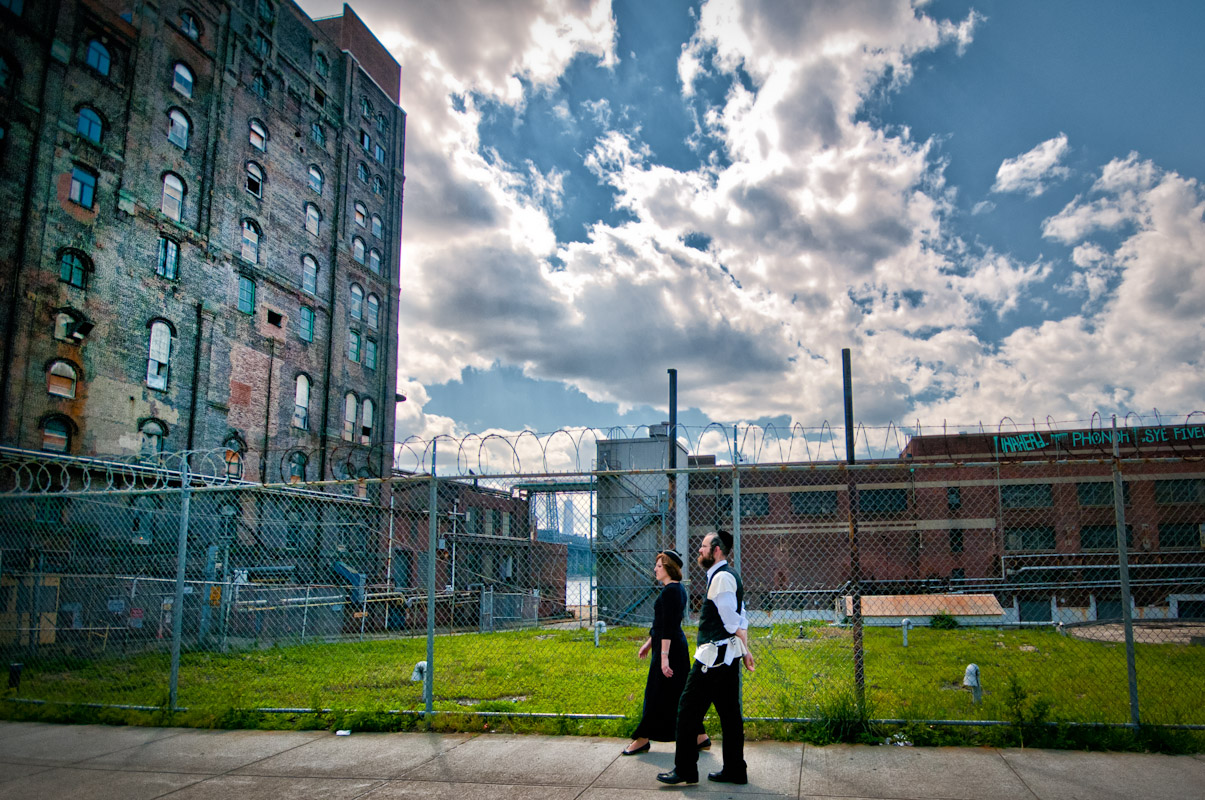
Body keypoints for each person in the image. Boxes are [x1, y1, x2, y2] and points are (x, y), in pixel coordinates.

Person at [656, 529, 755, 786]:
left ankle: (686, 769)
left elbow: (732, 620)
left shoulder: (721, 578)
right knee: (730, 716)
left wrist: (746, 650)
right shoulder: (729, 575)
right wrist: (745, 651)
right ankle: (735, 769)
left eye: (703, 546)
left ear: (717, 550)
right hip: (728, 658)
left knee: (687, 711)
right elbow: (740, 616)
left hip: (713, 660)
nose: (699, 550)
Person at [621, 550, 710, 755]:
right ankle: (699, 736)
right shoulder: (675, 590)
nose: (655, 569)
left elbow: (668, 626)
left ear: (669, 568)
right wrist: (649, 643)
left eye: (659, 566)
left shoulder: (671, 591)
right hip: (671, 646)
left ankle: (642, 739)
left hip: (670, 650)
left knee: (655, 692)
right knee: (677, 694)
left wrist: (663, 657)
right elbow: (663, 623)